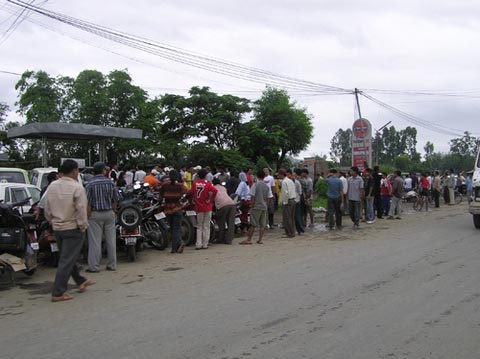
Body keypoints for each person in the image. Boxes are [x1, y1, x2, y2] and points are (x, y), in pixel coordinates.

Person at [44, 159, 91, 302]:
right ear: (74, 171)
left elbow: (47, 208)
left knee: (67, 257)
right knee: (66, 259)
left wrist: (52, 221)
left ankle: (80, 280)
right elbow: (81, 209)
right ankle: (58, 292)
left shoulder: (52, 186)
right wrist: (83, 226)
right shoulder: (77, 187)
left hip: (58, 227)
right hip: (73, 227)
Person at [86, 162, 121, 273]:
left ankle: (94, 266)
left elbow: (87, 202)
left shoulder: (90, 184)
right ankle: (112, 264)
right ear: (103, 171)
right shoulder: (110, 183)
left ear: (93, 172)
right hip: (109, 213)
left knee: (95, 242)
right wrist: (114, 211)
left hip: (95, 215)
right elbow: (116, 199)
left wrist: (88, 216)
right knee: (111, 240)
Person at [160, 170, 188, 253]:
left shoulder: (165, 185)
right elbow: (187, 193)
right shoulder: (180, 186)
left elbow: (160, 196)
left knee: (172, 229)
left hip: (168, 210)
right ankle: (177, 245)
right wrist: (182, 200)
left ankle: (175, 247)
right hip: (177, 209)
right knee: (177, 229)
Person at [240, 170, 270, 245]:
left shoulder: (255, 185)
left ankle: (249, 239)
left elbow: (252, 195)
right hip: (264, 206)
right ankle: (260, 239)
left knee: (253, 223)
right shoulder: (266, 186)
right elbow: (268, 197)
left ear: (257, 176)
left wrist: (252, 205)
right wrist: (266, 204)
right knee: (262, 224)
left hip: (256, 206)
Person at [191, 169, 217, 249]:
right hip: (207, 206)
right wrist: (210, 199)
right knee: (206, 226)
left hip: (198, 207)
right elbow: (215, 191)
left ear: (198, 175)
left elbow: (191, 192)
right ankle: (205, 244)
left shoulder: (195, 184)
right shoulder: (208, 184)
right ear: (205, 176)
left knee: (199, 226)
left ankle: (198, 244)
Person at [212, 178, 236, 245]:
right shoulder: (223, 188)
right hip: (232, 204)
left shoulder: (212, 188)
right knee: (231, 223)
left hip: (222, 206)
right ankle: (229, 240)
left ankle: (220, 238)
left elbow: (212, 198)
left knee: (221, 221)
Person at [278, 168, 296, 238]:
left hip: (288, 201)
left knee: (287, 218)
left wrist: (284, 202)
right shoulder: (290, 181)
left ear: (281, 174)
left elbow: (286, 193)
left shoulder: (284, 182)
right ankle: (292, 232)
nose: (278, 176)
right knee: (291, 217)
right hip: (293, 200)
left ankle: (289, 233)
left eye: (279, 174)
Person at [293, 169, 305, 235]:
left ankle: (300, 229)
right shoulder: (292, 182)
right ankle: (298, 229)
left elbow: (300, 192)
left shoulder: (297, 182)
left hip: (297, 200)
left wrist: (298, 199)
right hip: (294, 200)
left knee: (297, 216)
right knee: (295, 216)